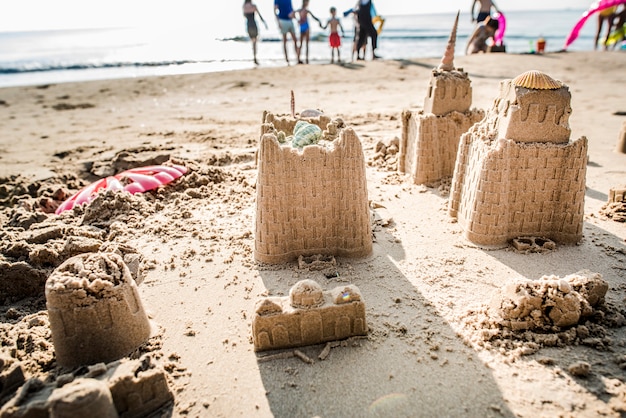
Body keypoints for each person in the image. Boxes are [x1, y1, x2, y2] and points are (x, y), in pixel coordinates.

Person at [243, 0, 268, 65]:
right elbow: (260, 16)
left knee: (252, 41)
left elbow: (244, 16)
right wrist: (264, 23)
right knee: (254, 43)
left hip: (248, 25)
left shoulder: (244, 6)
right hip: (253, 24)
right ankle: (255, 57)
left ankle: (254, 57)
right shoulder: (253, 6)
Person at [275, 0, 299, 65]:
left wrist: (296, 18)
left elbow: (291, 9)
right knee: (285, 41)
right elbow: (275, 11)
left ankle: (298, 58)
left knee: (295, 40)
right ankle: (287, 59)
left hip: (290, 20)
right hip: (282, 20)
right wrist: (278, 22)